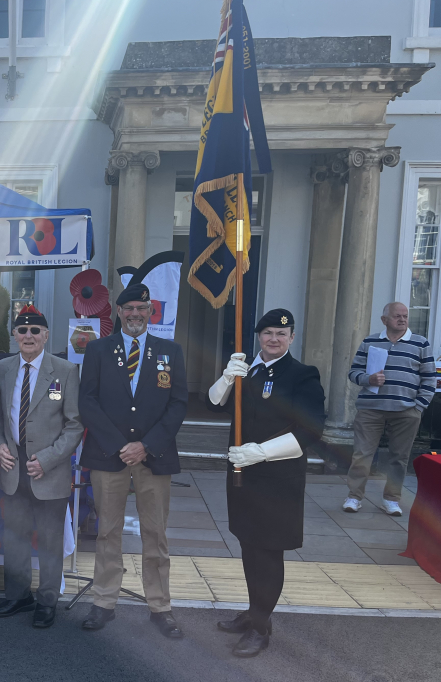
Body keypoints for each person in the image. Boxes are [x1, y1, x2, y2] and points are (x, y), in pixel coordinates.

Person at [208, 308, 326, 657]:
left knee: (269, 552)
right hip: (244, 477)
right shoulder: (247, 370)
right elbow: (215, 405)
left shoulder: (302, 375)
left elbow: (310, 430)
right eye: (268, 333)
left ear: (291, 339)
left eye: (281, 334)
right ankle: (254, 611)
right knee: (248, 545)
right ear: (258, 336)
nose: (274, 339)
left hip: (277, 479)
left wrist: (261, 452)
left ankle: (261, 627)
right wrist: (227, 378)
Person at [78, 281, 187, 639]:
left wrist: (146, 445)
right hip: (109, 456)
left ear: (150, 313)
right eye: (130, 309)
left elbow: (178, 404)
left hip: (154, 457)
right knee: (107, 532)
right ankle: (104, 602)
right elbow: (87, 401)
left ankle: (160, 606)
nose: (136, 315)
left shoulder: (170, 350)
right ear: (120, 313)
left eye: (142, 309)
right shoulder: (97, 350)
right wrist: (120, 444)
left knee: (155, 534)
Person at [0, 305, 83, 629]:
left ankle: (46, 600)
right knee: (14, 538)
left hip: (49, 471)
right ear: (14, 335)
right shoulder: (2, 369)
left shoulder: (66, 370)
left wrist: (47, 460)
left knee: (49, 540)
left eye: (35, 331)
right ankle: (17, 596)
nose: (28, 336)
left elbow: (74, 426)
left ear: (45, 335)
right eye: (22, 330)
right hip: (13, 470)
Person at [342, 302, 435, 517]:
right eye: (396, 316)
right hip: (370, 409)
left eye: (405, 316)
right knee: (361, 455)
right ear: (384, 320)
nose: (402, 320)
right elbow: (353, 372)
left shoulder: (420, 344)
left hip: (406, 411)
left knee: (398, 457)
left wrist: (418, 407)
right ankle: (354, 496)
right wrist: (369, 378)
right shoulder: (371, 341)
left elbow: (430, 379)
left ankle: (391, 499)